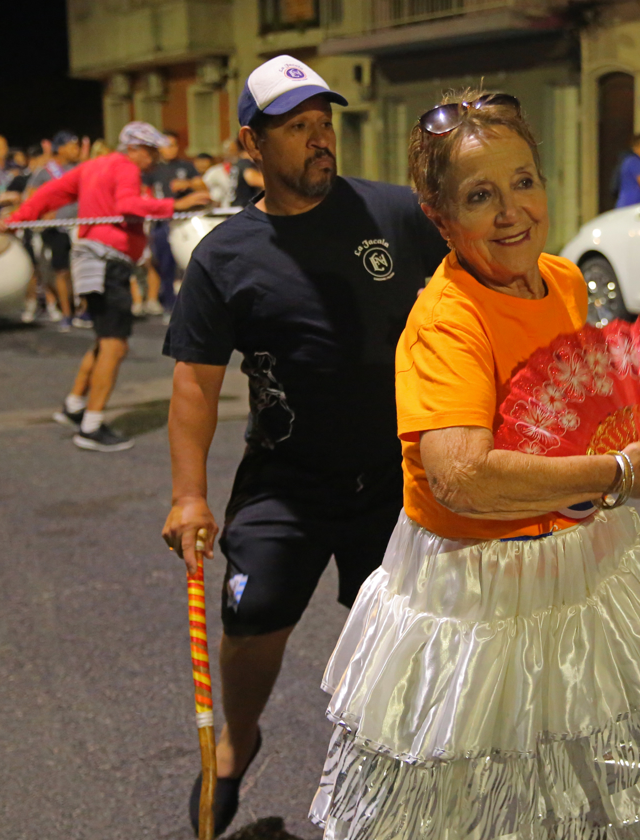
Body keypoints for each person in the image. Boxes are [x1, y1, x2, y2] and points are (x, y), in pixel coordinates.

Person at [309, 88, 640, 839]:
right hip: (478, 590)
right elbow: (461, 476)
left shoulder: (564, 279)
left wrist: (612, 455)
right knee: (477, 808)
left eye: (523, 182)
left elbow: (575, 411)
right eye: (481, 196)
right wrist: (618, 476)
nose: (512, 211)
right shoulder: (448, 320)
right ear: (439, 216)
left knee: (611, 790)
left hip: (578, 569)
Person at [160, 55, 446, 838]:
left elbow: (478, 288)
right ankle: (236, 746)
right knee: (251, 623)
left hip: (396, 480)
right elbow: (194, 384)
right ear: (252, 144)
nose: (320, 140)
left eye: (326, 124)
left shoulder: (395, 214)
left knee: (395, 647)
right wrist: (189, 494)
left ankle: (390, 792)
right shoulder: (226, 255)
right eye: (297, 128)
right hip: (286, 479)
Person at [2, 121, 210, 452]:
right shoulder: (126, 166)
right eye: (151, 151)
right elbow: (128, 205)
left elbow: (48, 194)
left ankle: (74, 407)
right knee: (115, 345)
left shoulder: (93, 166)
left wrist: (13, 221)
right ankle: (91, 426)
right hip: (107, 261)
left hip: (92, 259)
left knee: (104, 341)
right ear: (134, 148)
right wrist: (177, 206)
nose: (155, 158)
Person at [21, 131, 83, 326]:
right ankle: (66, 313)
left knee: (81, 270)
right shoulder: (45, 172)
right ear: (61, 148)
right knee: (61, 271)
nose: (77, 150)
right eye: (73, 146)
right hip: (57, 229)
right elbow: (30, 198)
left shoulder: (80, 169)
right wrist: (42, 213)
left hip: (80, 226)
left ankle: (83, 311)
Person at [144, 130, 204, 317]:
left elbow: (202, 185)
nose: (171, 149)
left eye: (174, 145)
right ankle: (169, 304)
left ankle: (193, 302)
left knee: (191, 261)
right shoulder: (152, 169)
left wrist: (189, 184)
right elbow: (144, 193)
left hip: (184, 222)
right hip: (162, 222)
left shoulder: (186, 166)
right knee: (165, 263)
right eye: (167, 145)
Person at [202, 139, 239, 207]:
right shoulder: (214, 171)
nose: (231, 153)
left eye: (234, 150)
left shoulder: (243, 171)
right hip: (221, 211)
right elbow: (202, 188)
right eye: (228, 150)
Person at [231, 140, 264, 207]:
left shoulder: (238, 163)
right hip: (243, 206)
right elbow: (253, 180)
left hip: (235, 205)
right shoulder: (246, 164)